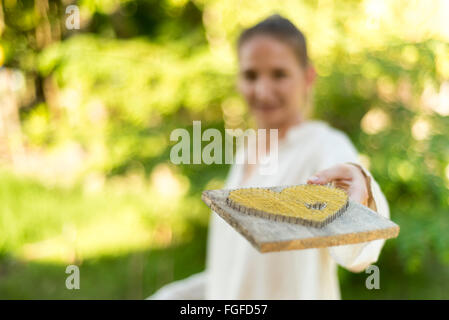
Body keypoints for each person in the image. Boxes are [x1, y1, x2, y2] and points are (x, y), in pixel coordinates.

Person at [148, 14, 389, 300]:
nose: (262, 90)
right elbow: (236, 272)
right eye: (251, 75)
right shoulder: (247, 150)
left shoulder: (323, 145)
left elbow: (358, 252)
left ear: (307, 76)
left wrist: (360, 192)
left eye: (279, 74)